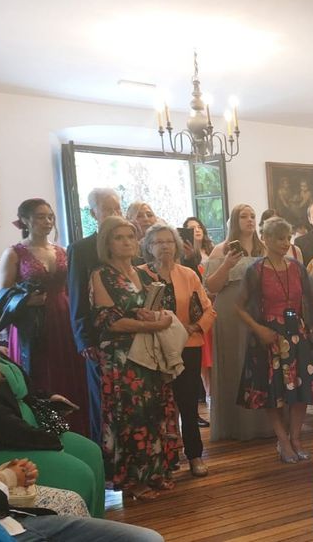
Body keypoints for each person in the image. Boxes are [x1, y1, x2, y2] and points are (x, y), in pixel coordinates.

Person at [0, 326, 163, 541]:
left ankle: (94, 522)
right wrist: (5, 477)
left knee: (89, 451)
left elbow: (24, 385)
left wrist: (47, 399)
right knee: (76, 477)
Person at [0, 269, 105, 518]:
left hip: (23, 429)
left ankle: (97, 528)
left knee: (91, 451)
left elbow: (19, 383)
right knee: (78, 472)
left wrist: (45, 398)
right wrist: (46, 440)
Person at [90, 216, 179, 500]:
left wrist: (156, 317)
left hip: (148, 353)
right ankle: (133, 481)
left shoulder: (141, 274)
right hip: (121, 358)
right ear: (107, 243)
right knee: (131, 415)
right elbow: (109, 322)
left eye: (130, 236)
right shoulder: (101, 274)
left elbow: (157, 308)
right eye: (119, 237)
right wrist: (152, 325)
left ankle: (155, 472)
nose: (127, 242)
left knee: (154, 411)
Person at [235, 217, 313, 463]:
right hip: (270, 337)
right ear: (265, 239)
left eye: (287, 238)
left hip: (297, 334)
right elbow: (239, 307)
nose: (285, 243)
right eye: (279, 238)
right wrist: (259, 330)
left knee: (301, 389)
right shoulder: (255, 270)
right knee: (272, 392)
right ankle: (283, 440)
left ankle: (296, 438)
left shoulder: (297, 267)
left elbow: (312, 296)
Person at [0, 198, 89, 436]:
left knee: (70, 369)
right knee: (40, 372)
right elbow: (1, 296)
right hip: (32, 322)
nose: (47, 221)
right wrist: (27, 300)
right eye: (40, 216)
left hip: (65, 316)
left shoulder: (62, 251)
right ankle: (45, 431)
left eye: (50, 217)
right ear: (25, 220)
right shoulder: (14, 253)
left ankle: (78, 430)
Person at [137, 223, 216, 477]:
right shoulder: (139, 275)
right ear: (149, 247)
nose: (165, 246)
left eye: (169, 241)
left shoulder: (188, 274)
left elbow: (208, 310)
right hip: (153, 348)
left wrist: (193, 327)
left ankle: (194, 456)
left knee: (188, 404)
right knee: (157, 407)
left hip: (187, 346)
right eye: (158, 242)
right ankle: (163, 461)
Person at [204, 204, 270, 441]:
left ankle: (262, 423)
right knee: (235, 363)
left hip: (258, 309)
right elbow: (211, 287)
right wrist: (227, 264)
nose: (250, 220)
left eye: (253, 216)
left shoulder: (264, 248)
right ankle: (233, 424)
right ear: (234, 220)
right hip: (230, 309)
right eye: (244, 216)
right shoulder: (221, 249)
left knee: (259, 364)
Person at [67, 187, 122, 444]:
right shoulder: (81, 249)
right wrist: (83, 339)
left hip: (129, 334)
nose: (115, 214)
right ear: (94, 213)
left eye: (118, 208)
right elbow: (76, 296)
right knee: (102, 399)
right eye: (108, 209)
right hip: (97, 337)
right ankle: (106, 461)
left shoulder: (129, 244)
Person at [182, 216, 215, 424]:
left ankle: (213, 398)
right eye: (190, 228)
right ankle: (205, 400)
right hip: (196, 309)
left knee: (212, 357)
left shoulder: (211, 252)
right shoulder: (185, 258)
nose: (196, 230)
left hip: (212, 305)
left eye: (198, 227)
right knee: (203, 357)